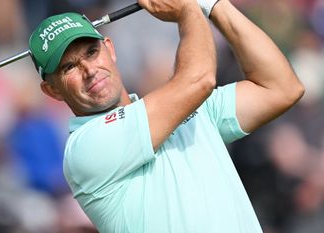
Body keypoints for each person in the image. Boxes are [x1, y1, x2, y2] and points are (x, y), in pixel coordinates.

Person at [28, 0, 305, 232]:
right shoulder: (84, 149)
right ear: (51, 90)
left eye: (91, 52)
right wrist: (188, 11)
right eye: (69, 68)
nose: (89, 70)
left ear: (110, 49)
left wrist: (214, 5)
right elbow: (199, 80)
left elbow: (281, 87)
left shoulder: (189, 109)